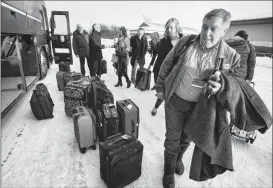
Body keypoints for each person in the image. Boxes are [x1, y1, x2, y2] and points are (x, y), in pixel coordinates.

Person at [154, 9, 241, 188]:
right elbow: (166, 65)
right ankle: (168, 171)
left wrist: (223, 86)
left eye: (213, 29)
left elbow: (237, 86)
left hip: (200, 108)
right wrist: (160, 89)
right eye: (204, 27)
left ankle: (177, 159)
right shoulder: (186, 42)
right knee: (172, 139)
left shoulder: (232, 56)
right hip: (175, 102)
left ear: (224, 31)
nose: (206, 33)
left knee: (187, 138)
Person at [148, 18, 183, 116]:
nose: (169, 30)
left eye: (171, 27)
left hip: (177, 73)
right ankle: (156, 107)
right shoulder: (163, 42)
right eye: (167, 28)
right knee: (163, 93)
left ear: (177, 27)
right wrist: (158, 80)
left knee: (175, 96)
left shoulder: (183, 41)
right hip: (163, 72)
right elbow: (160, 61)